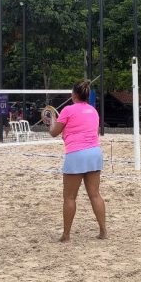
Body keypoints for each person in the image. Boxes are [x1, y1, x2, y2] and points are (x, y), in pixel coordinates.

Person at [45, 80, 107, 242]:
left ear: (73, 94)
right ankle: (103, 231)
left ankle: (66, 235)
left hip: (76, 154)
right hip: (94, 152)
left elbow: (54, 132)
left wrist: (51, 119)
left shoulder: (67, 110)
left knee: (70, 197)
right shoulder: (93, 111)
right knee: (95, 194)